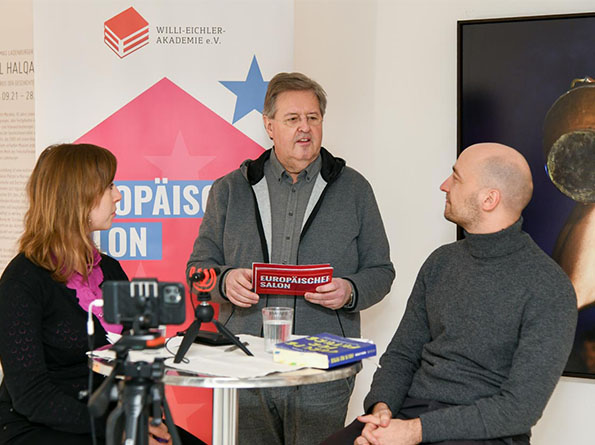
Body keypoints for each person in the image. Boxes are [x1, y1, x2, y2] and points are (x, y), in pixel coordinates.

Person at [186, 72, 395, 444]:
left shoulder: (355, 189)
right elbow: (197, 270)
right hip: (245, 362)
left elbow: (381, 270)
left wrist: (349, 290)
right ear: (269, 125)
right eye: (292, 119)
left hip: (323, 370)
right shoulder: (230, 189)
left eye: (313, 118)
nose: (305, 128)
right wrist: (223, 281)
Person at [322, 143, 577, 445]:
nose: (444, 185)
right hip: (407, 414)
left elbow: (517, 410)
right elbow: (402, 356)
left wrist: (413, 432)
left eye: (456, 177)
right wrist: (382, 412)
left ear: (489, 198)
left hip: (482, 433)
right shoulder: (441, 262)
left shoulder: (550, 288)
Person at [0, 144, 179, 444]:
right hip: (40, 428)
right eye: (109, 186)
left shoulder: (112, 271)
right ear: (75, 197)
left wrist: (143, 420)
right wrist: (118, 429)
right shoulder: (21, 284)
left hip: (110, 420)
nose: (118, 195)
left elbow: (138, 358)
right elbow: (31, 396)